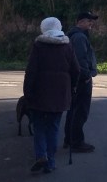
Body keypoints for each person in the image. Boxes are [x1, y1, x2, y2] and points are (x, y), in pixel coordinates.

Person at [23, 17, 80, 174]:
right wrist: (72, 87)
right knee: (53, 127)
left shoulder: (39, 45)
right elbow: (76, 70)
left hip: (39, 93)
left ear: (43, 28)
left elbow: (31, 71)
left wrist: (27, 92)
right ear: (59, 27)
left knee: (39, 127)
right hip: (60, 94)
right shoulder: (67, 46)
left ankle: (41, 155)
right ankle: (51, 162)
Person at [63, 11, 99, 152]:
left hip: (76, 79)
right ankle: (77, 142)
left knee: (73, 110)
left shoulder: (75, 35)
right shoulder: (79, 37)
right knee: (80, 111)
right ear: (80, 22)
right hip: (82, 80)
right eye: (89, 21)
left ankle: (69, 139)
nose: (91, 23)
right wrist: (86, 76)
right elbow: (80, 59)